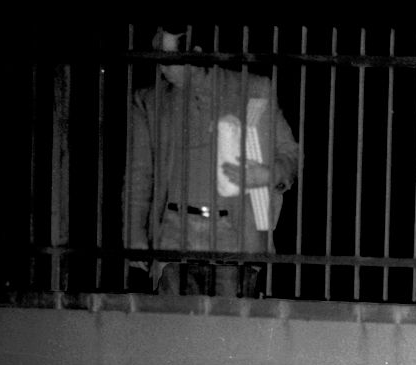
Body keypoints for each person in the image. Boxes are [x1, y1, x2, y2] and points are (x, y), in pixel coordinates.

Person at [125, 24, 300, 297]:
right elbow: (139, 174)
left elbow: (290, 153)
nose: (161, 67)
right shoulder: (148, 101)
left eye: (167, 59)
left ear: (195, 54)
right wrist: (135, 235)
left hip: (233, 233)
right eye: (156, 57)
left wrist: (268, 174)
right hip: (173, 233)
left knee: (229, 321)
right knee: (173, 320)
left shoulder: (253, 90)